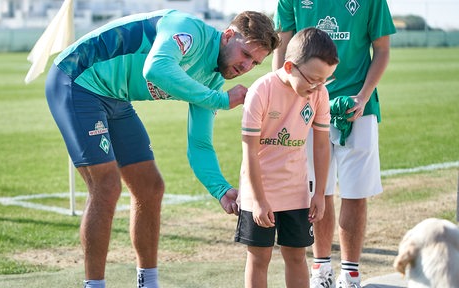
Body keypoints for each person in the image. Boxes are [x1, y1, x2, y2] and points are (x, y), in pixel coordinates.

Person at [45, 9, 280, 288]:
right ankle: (94, 285)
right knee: (106, 187)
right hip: (77, 79)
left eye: (255, 63)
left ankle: (148, 282)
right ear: (228, 36)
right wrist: (218, 100)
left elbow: (200, 145)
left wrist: (220, 189)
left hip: (114, 96)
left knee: (150, 187)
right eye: (245, 55)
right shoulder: (188, 30)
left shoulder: (214, 80)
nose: (246, 67)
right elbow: (155, 68)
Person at [272, 1, 396, 287]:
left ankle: (350, 273)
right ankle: (321, 270)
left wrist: (364, 96)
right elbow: (282, 46)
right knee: (317, 189)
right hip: (307, 101)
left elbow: (383, 49)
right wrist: (283, 97)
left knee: (355, 190)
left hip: (357, 105)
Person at [235, 27, 338, 288]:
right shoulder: (261, 90)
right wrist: (258, 200)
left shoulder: (319, 94)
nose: (318, 87)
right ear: (290, 66)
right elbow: (249, 150)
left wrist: (319, 194)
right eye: (313, 79)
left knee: (296, 256)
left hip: (296, 190)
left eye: (324, 81)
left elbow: (322, 146)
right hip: (259, 191)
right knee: (259, 258)